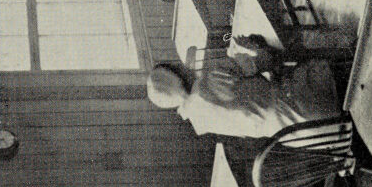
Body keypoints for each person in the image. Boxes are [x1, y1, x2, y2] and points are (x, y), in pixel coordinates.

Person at [145, 57, 340, 140]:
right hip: (310, 105)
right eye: (177, 66)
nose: (182, 65)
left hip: (309, 137)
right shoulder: (208, 81)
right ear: (178, 74)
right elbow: (265, 59)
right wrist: (253, 47)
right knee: (317, 60)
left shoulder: (199, 121)